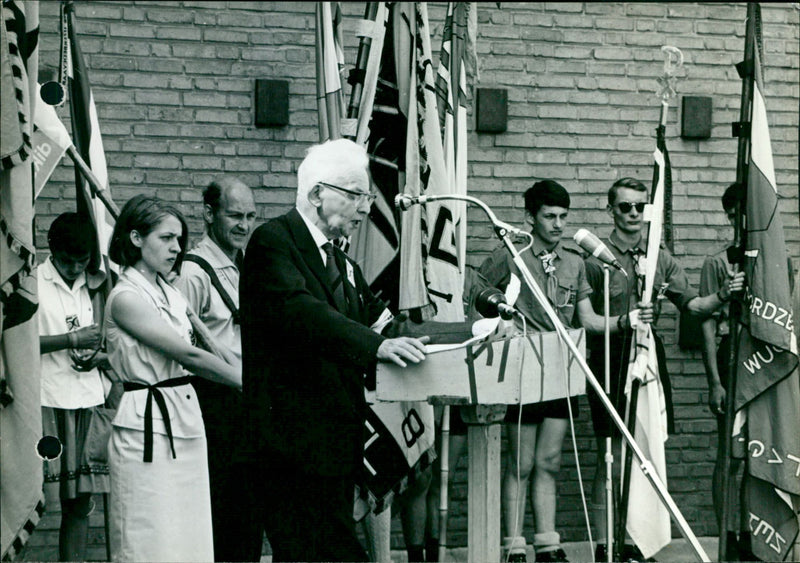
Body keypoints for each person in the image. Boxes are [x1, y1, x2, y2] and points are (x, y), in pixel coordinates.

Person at [240, 138, 429, 562]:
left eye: (368, 196)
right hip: (290, 446)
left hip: (335, 445)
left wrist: (470, 331)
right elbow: (304, 312)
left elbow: (385, 322)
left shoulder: (342, 262)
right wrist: (378, 346)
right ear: (316, 194)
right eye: (356, 195)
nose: (366, 208)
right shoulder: (273, 242)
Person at [584, 177, 744, 562]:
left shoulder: (659, 256)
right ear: (611, 211)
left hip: (648, 355)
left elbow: (692, 305)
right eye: (625, 207)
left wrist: (723, 295)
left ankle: (638, 543)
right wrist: (626, 319)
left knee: (646, 450)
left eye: (641, 206)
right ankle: (608, 543)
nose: (634, 214)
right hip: (610, 354)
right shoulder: (594, 258)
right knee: (613, 452)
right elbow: (586, 320)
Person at [472, 180, 612, 563]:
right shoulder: (512, 256)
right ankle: (515, 545)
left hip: (560, 367)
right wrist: (499, 323)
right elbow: (477, 292)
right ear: (530, 218)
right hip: (523, 366)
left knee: (550, 460)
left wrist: (630, 320)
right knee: (521, 460)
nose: (557, 224)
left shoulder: (575, 262)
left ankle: (547, 543)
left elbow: (586, 318)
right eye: (549, 216)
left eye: (563, 217)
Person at [104, 195, 241, 562]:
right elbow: (189, 355)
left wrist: (247, 372)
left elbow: (210, 346)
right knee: (149, 531)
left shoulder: (171, 292)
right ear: (135, 238)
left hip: (184, 413)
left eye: (179, 239)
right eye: (166, 238)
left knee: (190, 531)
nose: (176, 248)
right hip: (145, 418)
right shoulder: (125, 297)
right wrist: (248, 384)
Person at [174, 177, 263, 562]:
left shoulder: (244, 265)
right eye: (234, 216)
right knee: (223, 514)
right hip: (215, 405)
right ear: (209, 214)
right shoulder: (193, 271)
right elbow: (179, 347)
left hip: (249, 401)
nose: (244, 225)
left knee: (249, 514)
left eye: (250, 217)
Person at [37, 213, 110, 562]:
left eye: (82, 262)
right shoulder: (32, 282)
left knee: (80, 502)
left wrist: (97, 355)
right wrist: (71, 338)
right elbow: (17, 342)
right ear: (52, 251)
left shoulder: (95, 283)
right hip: (46, 403)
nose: (74, 268)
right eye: (67, 261)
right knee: (36, 496)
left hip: (86, 400)